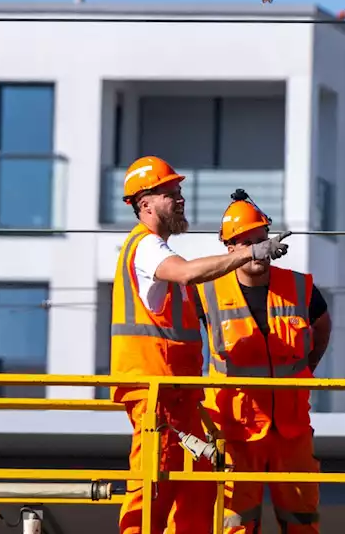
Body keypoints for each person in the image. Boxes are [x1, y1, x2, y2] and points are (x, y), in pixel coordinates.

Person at [111, 155, 289, 534]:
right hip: (155, 398)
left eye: (179, 191)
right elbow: (188, 273)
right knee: (152, 493)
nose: (180, 199)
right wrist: (250, 251)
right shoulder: (146, 248)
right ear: (145, 204)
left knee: (196, 488)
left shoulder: (153, 249)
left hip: (179, 398)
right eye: (170, 193)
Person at [197, 189, 330, 533]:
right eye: (246, 242)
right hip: (234, 431)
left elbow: (322, 324)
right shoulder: (205, 291)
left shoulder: (299, 287)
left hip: (292, 429)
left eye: (261, 239)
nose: (257, 249)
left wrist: (306, 368)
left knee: (302, 522)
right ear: (230, 249)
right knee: (235, 525)